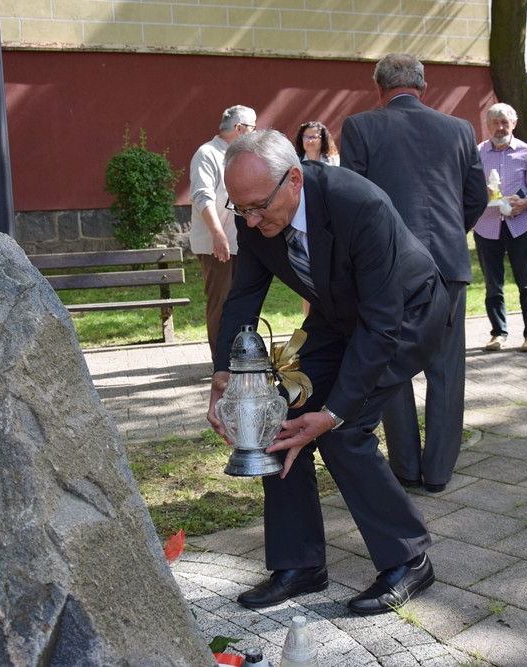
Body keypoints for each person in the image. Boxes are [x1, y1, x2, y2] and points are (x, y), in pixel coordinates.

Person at [208, 129, 450, 615]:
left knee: (345, 430)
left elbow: (381, 326)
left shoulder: (359, 204)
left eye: (258, 207)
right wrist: (226, 378)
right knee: (274, 414)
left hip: (405, 315)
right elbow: (242, 299)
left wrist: (335, 411)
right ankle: (299, 564)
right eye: (240, 210)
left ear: (294, 179)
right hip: (336, 317)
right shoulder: (254, 214)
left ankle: (409, 560)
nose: (251, 221)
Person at [339, 53, 487, 492]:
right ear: (423, 85)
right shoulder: (460, 129)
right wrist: (447, 234)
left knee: (393, 363)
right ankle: (439, 471)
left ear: (378, 86)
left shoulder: (361, 127)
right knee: (446, 369)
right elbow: (475, 197)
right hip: (448, 261)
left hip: (388, 266)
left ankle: (405, 467)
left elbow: (353, 200)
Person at [474, 103, 527, 352]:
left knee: (526, 283)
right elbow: (469, 188)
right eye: (495, 122)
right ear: (488, 125)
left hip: (521, 226)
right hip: (487, 226)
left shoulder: (525, 151)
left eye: (505, 122)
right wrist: (483, 195)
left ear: (513, 124)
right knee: (493, 284)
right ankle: (498, 333)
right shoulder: (478, 152)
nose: (500, 127)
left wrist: (526, 202)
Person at [188, 105, 257, 361]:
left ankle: (243, 357)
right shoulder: (208, 153)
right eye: (253, 127)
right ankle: (222, 364)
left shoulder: (238, 154)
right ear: (239, 128)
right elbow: (201, 196)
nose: (255, 132)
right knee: (221, 304)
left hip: (241, 243)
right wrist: (218, 234)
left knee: (242, 302)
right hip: (217, 243)